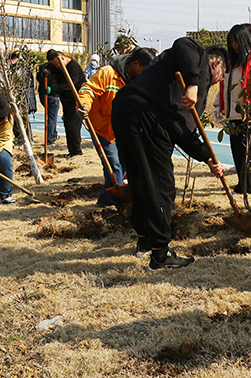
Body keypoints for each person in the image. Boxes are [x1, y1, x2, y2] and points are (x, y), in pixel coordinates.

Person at [112, 38, 227, 270]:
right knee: (161, 186)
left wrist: (207, 158)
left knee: (141, 181)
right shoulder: (198, 60)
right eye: (222, 74)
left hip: (126, 110)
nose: (219, 80)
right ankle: (160, 255)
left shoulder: (177, 84)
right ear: (217, 65)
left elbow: (182, 131)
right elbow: (184, 44)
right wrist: (193, 84)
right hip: (145, 115)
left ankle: (145, 241)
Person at [78, 47, 157, 206]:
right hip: (103, 128)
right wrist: (84, 105)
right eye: (144, 70)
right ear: (135, 64)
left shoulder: (141, 80)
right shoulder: (107, 73)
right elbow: (88, 89)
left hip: (124, 129)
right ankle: (114, 203)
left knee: (126, 164)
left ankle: (106, 199)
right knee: (114, 167)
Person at [215, 24, 251, 197]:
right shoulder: (232, 63)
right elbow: (224, 87)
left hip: (250, 115)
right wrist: (219, 104)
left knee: (249, 154)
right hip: (233, 115)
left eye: (236, 42)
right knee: (237, 152)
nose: (234, 46)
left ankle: (250, 187)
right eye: (231, 42)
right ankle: (242, 185)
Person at [37, 49, 86, 155]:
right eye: (55, 65)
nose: (57, 67)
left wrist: (52, 89)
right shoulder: (56, 66)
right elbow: (47, 68)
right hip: (66, 100)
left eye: (58, 64)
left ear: (63, 58)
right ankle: (72, 151)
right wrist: (45, 72)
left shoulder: (74, 67)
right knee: (67, 124)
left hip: (76, 99)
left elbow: (70, 85)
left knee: (73, 125)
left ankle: (76, 152)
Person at [8, 51, 37, 144]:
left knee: (22, 118)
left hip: (21, 97)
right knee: (18, 118)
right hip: (21, 97)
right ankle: (22, 137)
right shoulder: (22, 69)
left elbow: (24, 86)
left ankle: (26, 138)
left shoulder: (21, 70)